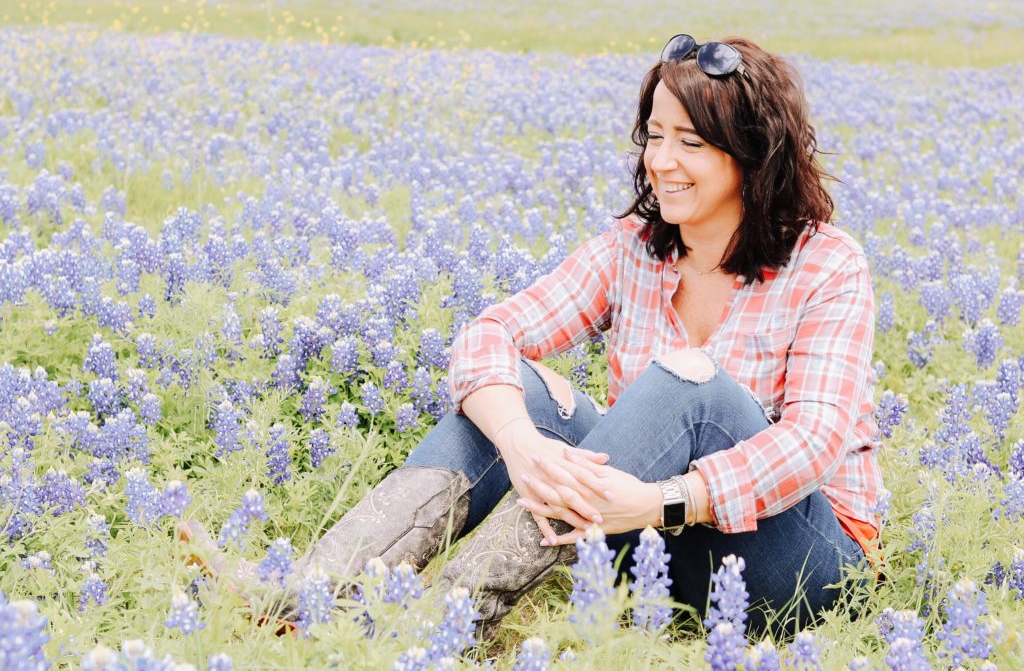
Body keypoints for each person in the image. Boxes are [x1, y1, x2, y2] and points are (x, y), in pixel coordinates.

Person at [181, 34, 881, 636]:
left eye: (689, 143)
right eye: (655, 136)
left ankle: (446, 624)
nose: (660, 160)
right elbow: (489, 334)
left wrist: (662, 501)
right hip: (656, 554)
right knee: (513, 387)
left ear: (751, 157)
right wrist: (521, 443)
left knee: (686, 384)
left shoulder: (827, 263)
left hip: (797, 566)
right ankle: (313, 591)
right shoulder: (632, 249)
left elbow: (814, 441)